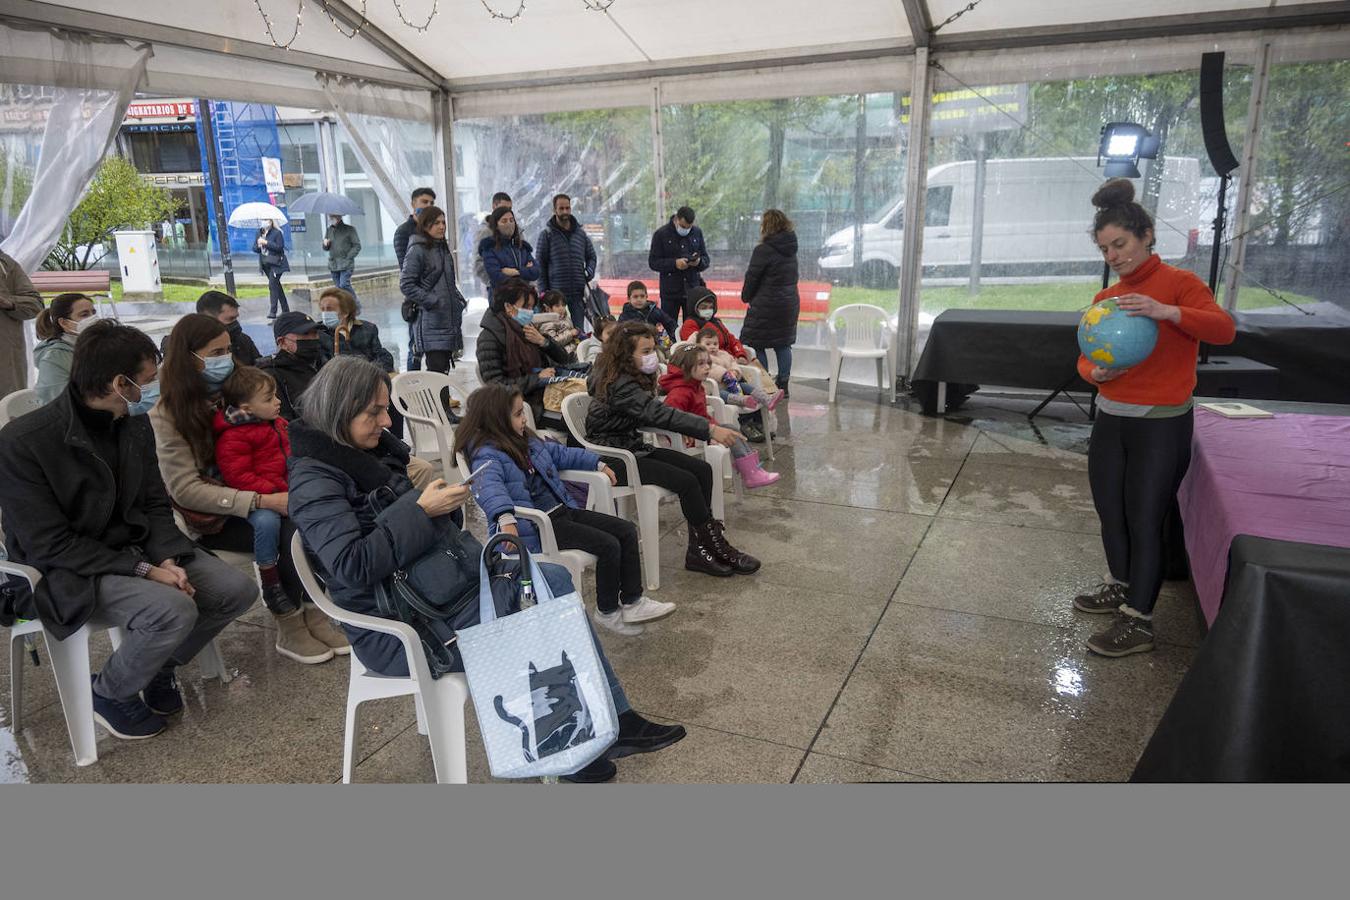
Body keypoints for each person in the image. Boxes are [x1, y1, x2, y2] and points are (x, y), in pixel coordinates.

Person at [288, 357, 686, 783]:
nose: (386, 422)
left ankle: (606, 717)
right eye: (375, 412)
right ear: (338, 410)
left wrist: (438, 508)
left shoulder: (364, 456)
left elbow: (405, 530)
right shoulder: (315, 481)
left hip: (433, 593)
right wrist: (421, 511)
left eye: (386, 409)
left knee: (550, 581)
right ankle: (563, 737)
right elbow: (351, 565)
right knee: (536, 607)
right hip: (399, 625)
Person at [0, 320, 257, 739]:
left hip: (135, 549)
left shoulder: (132, 425)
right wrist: (147, 571)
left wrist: (166, 556)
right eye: (147, 381)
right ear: (119, 383)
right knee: (173, 608)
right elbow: (48, 543)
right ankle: (110, 692)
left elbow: (154, 504)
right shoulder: (24, 442)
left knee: (235, 591)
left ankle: (157, 667)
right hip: (69, 570)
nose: (152, 390)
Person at [1071, 178, 1236, 658]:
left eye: (1120, 244)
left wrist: (1167, 312)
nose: (1114, 256)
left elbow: (1223, 330)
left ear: (1146, 236)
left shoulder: (1181, 286)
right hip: (1112, 418)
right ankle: (1121, 586)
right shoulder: (1107, 300)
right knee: (1111, 512)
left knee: (1145, 520)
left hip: (1161, 422)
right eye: (1105, 249)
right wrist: (1095, 370)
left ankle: (1139, 622)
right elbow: (1086, 357)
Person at [150, 313, 345, 664]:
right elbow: (185, 490)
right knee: (287, 526)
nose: (226, 358)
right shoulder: (167, 413)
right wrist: (260, 500)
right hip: (216, 515)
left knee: (305, 514)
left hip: (262, 492)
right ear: (188, 357)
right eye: (216, 352)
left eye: (227, 349)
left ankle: (312, 608)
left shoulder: (235, 393)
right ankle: (290, 622)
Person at [454, 383, 676, 636]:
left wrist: (597, 463)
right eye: (517, 414)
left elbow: (560, 453)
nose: (524, 418)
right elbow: (489, 488)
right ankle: (607, 611)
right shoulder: (487, 454)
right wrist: (505, 517)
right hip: (539, 527)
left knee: (625, 530)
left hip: (561, 511)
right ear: (495, 419)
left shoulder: (525, 440)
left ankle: (633, 601)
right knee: (607, 544)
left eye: (522, 412)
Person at [585, 321, 759, 577]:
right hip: (613, 459)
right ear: (625, 354)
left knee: (702, 469)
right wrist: (710, 429)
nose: (652, 356)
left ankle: (701, 549)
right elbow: (657, 413)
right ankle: (712, 547)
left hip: (631, 447)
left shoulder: (626, 376)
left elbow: (648, 415)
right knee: (686, 480)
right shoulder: (618, 384)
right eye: (645, 351)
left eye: (652, 349)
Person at [214, 366, 293, 614]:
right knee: (267, 523)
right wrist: (273, 493)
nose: (278, 402)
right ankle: (271, 580)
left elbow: (292, 456)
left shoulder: (278, 424)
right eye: (269, 399)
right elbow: (238, 476)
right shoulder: (233, 436)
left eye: (276, 396)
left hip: (285, 490)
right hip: (257, 499)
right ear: (246, 408)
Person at [659, 344, 780, 490]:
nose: (707, 367)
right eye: (701, 364)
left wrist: (713, 427)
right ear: (685, 367)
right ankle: (750, 472)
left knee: (731, 429)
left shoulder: (695, 386)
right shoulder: (680, 392)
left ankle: (752, 469)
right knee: (730, 432)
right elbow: (670, 417)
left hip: (700, 429)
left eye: (708, 363)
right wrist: (686, 433)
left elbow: (700, 414)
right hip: (688, 437)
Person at [476, 278, 572, 424]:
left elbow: (564, 359)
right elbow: (496, 386)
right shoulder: (490, 338)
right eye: (526, 307)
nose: (531, 312)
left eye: (532, 307)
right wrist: (537, 378)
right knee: (577, 419)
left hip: (546, 394)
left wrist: (543, 342)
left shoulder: (526, 328)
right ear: (508, 307)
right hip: (523, 406)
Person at [317, 286, 402, 439]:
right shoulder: (320, 334)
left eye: (329, 309)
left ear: (345, 311)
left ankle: (397, 440)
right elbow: (325, 364)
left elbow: (382, 355)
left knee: (393, 394)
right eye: (322, 308)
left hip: (369, 380)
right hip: (342, 385)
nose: (325, 313)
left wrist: (370, 374)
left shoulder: (367, 329)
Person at [739, 208, 800, 398]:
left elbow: (753, 277)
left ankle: (764, 382)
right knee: (783, 344)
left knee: (757, 342)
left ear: (768, 226)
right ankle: (784, 383)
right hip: (789, 304)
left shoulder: (763, 250)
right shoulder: (791, 248)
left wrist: (746, 296)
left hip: (767, 304)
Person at [401, 205, 468, 373]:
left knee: (443, 372)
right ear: (425, 225)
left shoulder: (441, 248)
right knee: (437, 372)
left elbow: (449, 282)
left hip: (448, 319)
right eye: (436, 223)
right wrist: (433, 301)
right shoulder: (417, 249)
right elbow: (406, 284)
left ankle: (442, 400)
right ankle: (438, 400)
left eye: (443, 222)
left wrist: (458, 300)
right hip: (431, 322)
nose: (442, 226)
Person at [536, 193, 597, 331]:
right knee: (557, 332)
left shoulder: (580, 234)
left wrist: (588, 273)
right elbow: (540, 264)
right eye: (561, 208)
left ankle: (577, 353)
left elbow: (592, 256)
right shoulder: (546, 235)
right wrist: (544, 293)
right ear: (554, 210)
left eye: (567, 208)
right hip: (555, 296)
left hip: (577, 293)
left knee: (578, 331)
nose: (565, 211)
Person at [394, 186, 437, 372]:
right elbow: (408, 269)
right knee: (416, 346)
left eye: (432, 203)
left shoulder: (435, 230)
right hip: (417, 299)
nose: (428, 206)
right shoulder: (404, 232)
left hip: (436, 299)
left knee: (437, 349)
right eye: (424, 202)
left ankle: (436, 389)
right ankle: (412, 389)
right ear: (413, 204)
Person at [695, 325, 783, 413]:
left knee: (745, 385)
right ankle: (743, 401)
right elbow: (710, 369)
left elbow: (733, 362)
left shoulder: (723, 354)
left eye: (715, 344)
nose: (712, 347)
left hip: (732, 383)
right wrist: (725, 374)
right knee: (721, 394)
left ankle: (767, 399)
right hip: (713, 388)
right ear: (698, 345)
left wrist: (735, 371)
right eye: (708, 344)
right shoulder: (700, 357)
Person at [648, 205, 710, 325]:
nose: (686, 230)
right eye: (683, 226)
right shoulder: (661, 234)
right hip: (670, 292)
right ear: (676, 219)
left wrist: (698, 262)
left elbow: (706, 258)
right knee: (669, 326)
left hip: (692, 289)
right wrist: (674, 264)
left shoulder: (697, 232)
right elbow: (653, 262)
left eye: (689, 227)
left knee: (693, 326)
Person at [33, 292, 99, 404]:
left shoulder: (95, 345)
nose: (93, 319)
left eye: (93, 313)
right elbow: (58, 403)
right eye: (84, 315)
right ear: (64, 323)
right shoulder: (54, 357)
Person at [259, 312, 325, 421]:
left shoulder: (321, 362)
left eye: (315, 333)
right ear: (282, 342)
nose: (313, 338)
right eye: (306, 333)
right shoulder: (270, 375)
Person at [0, 249, 44, 399]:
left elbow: (35, 305)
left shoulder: (6, 265)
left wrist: (9, 302)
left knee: (8, 409)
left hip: (5, 358)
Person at [478, 206, 539, 294]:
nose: (509, 224)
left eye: (511, 220)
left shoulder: (522, 247)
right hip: (502, 297)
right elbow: (496, 276)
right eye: (504, 221)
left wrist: (516, 272)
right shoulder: (489, 247)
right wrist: (525, 272)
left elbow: (536, 271)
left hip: (524, 297)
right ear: (496, 225)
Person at [678, 286, 748, 360]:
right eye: (703, 308)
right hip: (715, 363)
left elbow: (732, 340)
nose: (708, 310)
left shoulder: (716, 322)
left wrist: (740, 354)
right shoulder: (690, 324)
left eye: (711, 307)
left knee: (755, 362)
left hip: (731, 359)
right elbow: (697, 351)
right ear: (694, 307)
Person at [197, 290, 260, 367]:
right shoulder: (194, 348)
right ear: (209, 319)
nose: (236, 324)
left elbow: (259, 367)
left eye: (236, 318)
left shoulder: (243, 341)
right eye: (230, 319)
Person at [617, 280, 677, 352]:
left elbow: (671, 324)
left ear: (646, 297)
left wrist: (673, 340)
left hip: (654, 347)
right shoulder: (625, 316)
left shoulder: (654, 311)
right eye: (635, 297)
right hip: (633, 350)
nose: (639, 299)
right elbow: (619, 335)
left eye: (642, 296)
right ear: (629, 299)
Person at [471, 191, 513, 289]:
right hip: (497, 288)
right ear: (494, 207)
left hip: (517, 286)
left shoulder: (516, 230)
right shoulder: (485, 233)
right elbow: (478, 263)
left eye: (510, 209)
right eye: (503, 209)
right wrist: (495, 281)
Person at [253, 219, 290, 321]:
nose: (264, 222)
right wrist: (258, 245)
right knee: (277, 286)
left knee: (272, 285)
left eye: (267, 220)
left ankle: (273, 311)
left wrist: (266, 242)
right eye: (263, 219)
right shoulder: (259, 233)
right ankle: (286, 310)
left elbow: (279, 247)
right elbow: (254, 248)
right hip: (265, 264)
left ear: (271, 221)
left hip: (276, 263)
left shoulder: (276, 233)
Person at [323, 214, 362, 307]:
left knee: (344, 284)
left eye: (332, 217)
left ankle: (355, 304)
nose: (330, 219)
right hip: (334, 264)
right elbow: (326, 248)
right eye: (329, 217)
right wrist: (325, 244)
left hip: (346, 264)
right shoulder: (329, 230)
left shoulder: (349, 229)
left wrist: (348, 257)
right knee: (339, 289)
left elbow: (357, 245)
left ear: (338, 217)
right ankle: (345, 306)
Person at [533, 290, 581, 359]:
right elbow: (553, 344)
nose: (561, 308)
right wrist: (570, 334)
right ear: (547, 308)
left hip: (574, 350)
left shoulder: (565, 318)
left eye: (563, 305)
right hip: (564, 356)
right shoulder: (547, 324)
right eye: (557, 306)